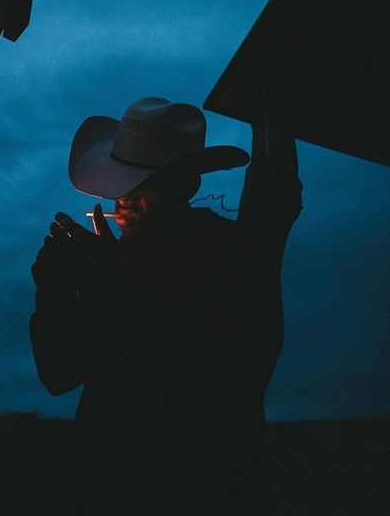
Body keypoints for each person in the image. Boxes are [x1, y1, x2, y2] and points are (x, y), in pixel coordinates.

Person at [30, 96, 302, 515]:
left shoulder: (221, 256)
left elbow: (68, 370)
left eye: (135, 187)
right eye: (120, 186)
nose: (119, 200)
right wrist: (63, 287)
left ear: (179, 186)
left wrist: (88, 283)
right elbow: (62, 370)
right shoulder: (135, 259)